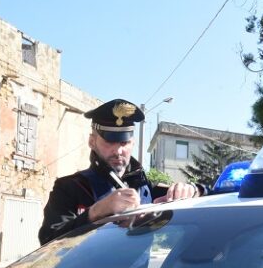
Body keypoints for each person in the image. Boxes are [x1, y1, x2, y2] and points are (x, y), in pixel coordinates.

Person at [38, 98, 204, 245]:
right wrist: (95, 212)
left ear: (132, 143)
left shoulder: (145, 186)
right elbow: (48, 241)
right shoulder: (69, 188)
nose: (118, 151)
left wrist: (194, 190)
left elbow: (213, 195)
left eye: (124, 143)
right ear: (92, 141)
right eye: (109, 142)